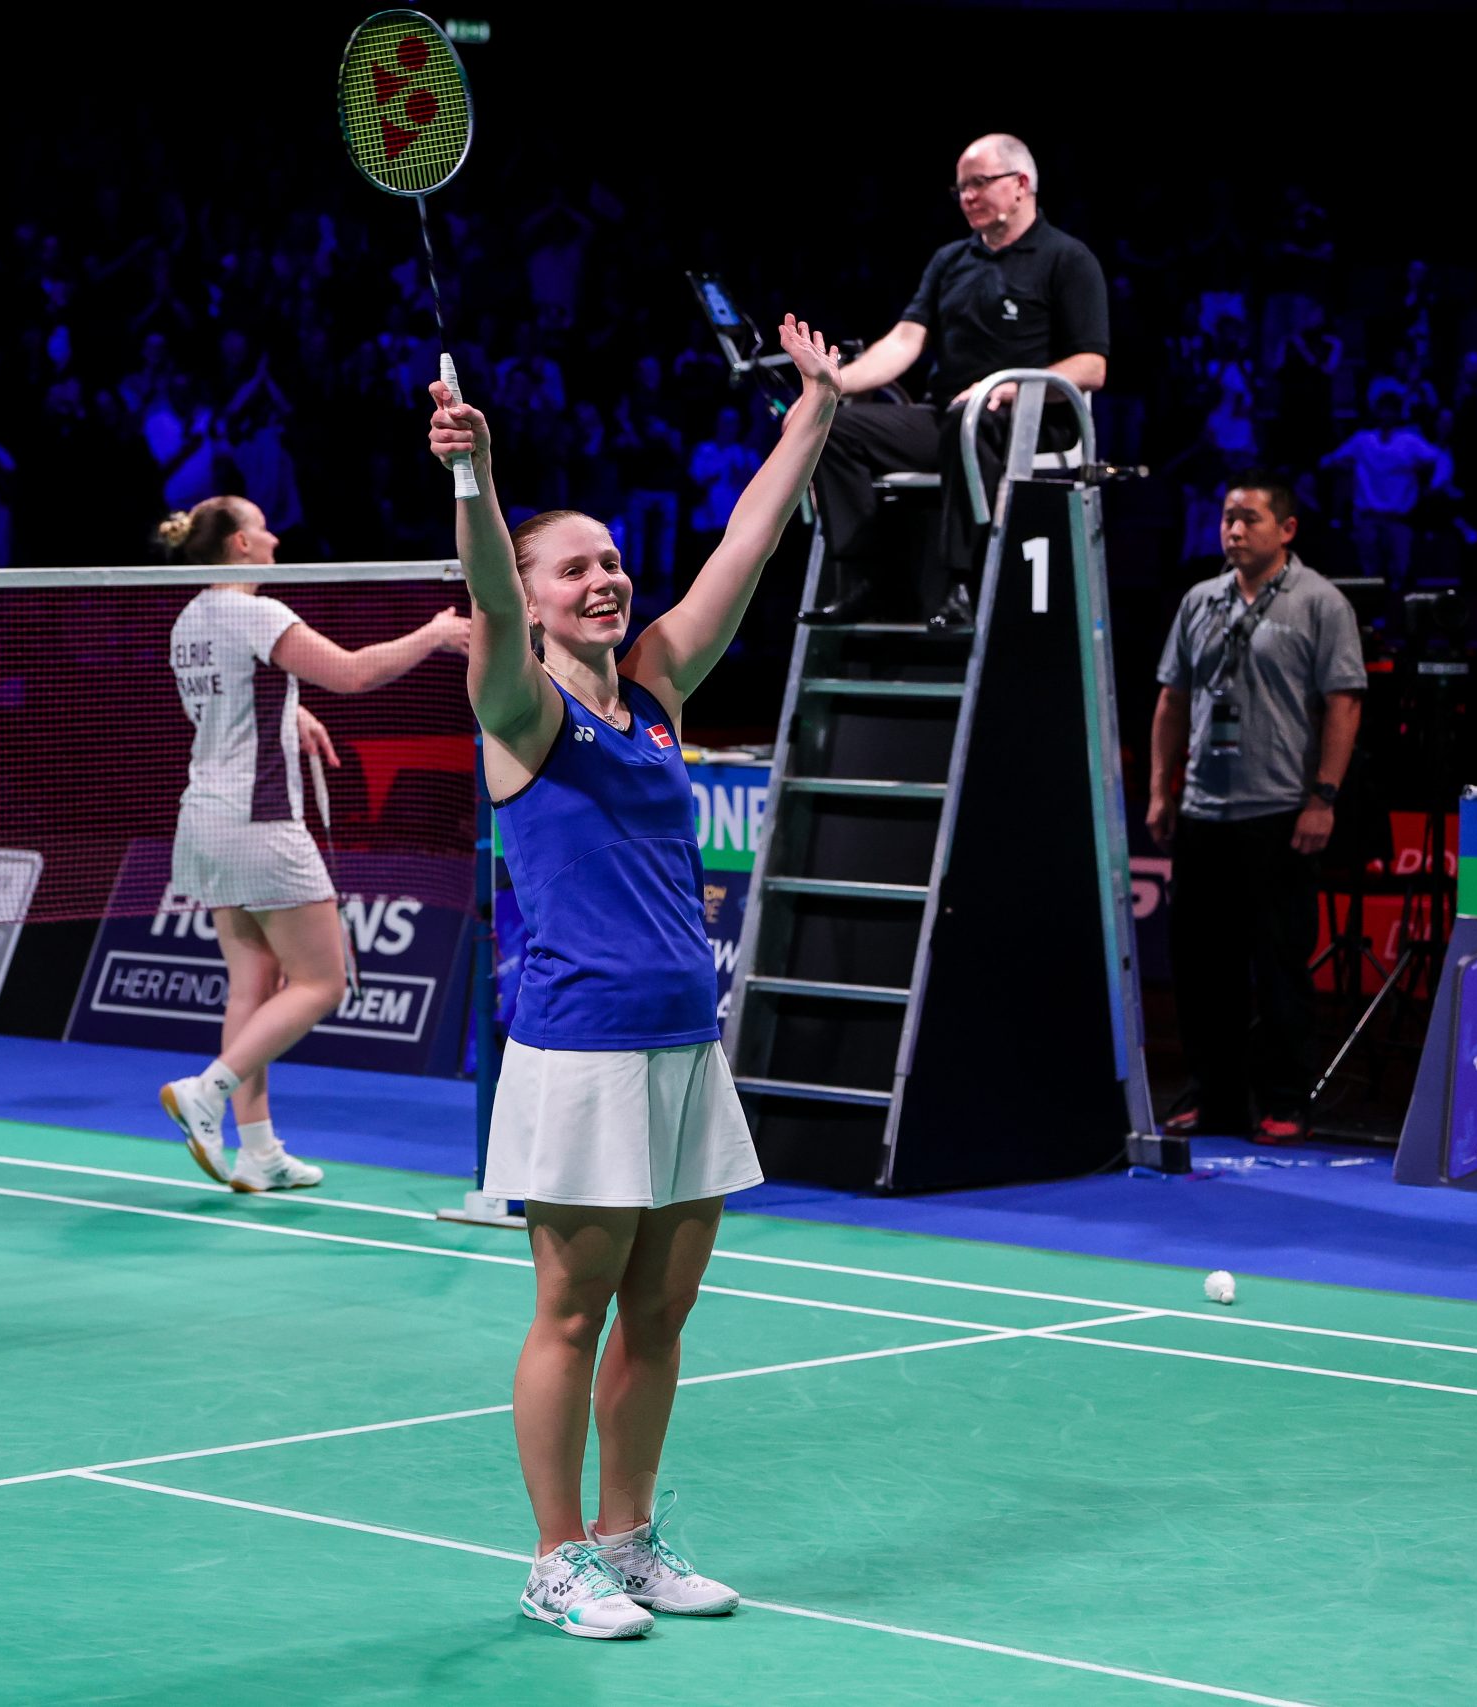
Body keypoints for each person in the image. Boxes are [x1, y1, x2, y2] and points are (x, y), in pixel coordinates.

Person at [426, 311, 840, 1639]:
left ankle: (629, 1537)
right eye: (575, 569)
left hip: (682, 1039)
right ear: (531, 597)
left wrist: (813, 413)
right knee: (571, 1309)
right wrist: (476, 476)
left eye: (610, 561)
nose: (603, 580)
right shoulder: (519, 708)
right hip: (583, 1046)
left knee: (659, 1315)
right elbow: (491, 599)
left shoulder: (654, 688)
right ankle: (555, 1557)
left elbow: (746, 546)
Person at [154, 495, 469, 1192]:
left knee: (253, 985)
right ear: (240, 544)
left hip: (203, 820)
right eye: (262, 526)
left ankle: (258, 1152)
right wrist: (436, 633)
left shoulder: (188, 620)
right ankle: (207, 1091)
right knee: (323, 982)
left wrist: (291, 713)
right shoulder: (256, 612)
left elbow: (230, 704)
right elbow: (352, 673)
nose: (275, 536)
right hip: (260, 823)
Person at [806, 134, 1108, 627]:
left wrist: (1010, 387)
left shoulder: (1067, 259)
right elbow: (905, 340)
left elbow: (1091, 366)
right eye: (960, 188)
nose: (967, 196)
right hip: (950, 418)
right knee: (831, 429)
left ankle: (962, 585)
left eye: (978, 183)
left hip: (1030, 422)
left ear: (1021, 183)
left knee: (968, 419)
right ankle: (867, 580)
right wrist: (830, 386)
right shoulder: (950, 261)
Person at [1146, 476, 1365, 1146]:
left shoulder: (1320, 602)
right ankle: (1213, 1097)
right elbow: (1171, 698)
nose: (1234, 530)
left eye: (1249, 519)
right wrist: (1160, 790)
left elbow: (1344, 703)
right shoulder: (1200, 600)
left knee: (1279, 966)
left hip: (1279, 811)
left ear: (1287, 529)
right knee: (1201, 967)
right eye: (1227, 519)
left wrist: (1323, 797)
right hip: (1203, 810)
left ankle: (1285, 1100)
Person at [1320, 382, 1456, 586]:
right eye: (1383, 410)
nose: (1386, 415)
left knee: (1400, 573)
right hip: (1368, 518)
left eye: (1391, 410)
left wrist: (1434, 486)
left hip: (1399, 519)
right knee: (1370, 574)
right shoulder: (1363, 440)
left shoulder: (1410, 441)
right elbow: (1329, 461)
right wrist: (1343, 468)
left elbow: (1440, 459)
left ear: (1398, 413)